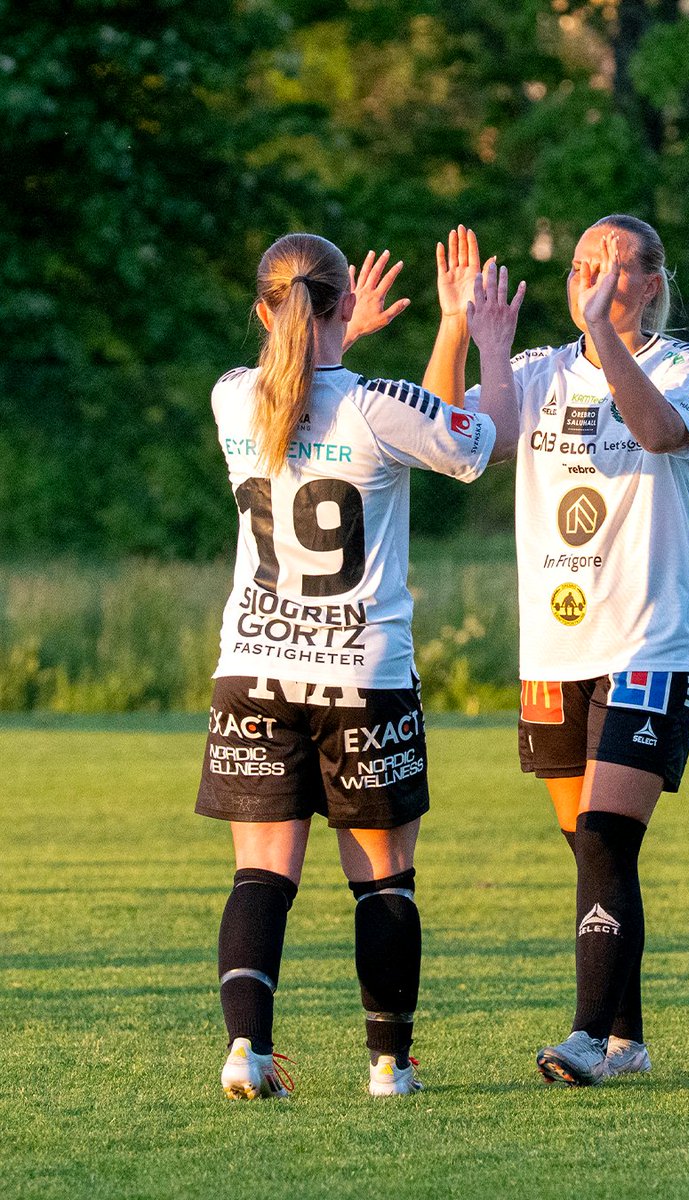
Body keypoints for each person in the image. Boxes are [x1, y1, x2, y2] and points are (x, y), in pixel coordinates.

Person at [196, 232, 524, 1099]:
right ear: (344, 303)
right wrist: (484, 334)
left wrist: (342, 336)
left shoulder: (233, 398)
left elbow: (299, 382)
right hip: (362, 677)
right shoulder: (381, 407)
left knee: (261, 872)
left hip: (255, 669)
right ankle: (389, 1065)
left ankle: (246, 1051)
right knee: (382, 874)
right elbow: (495, 440)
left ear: (265, 310)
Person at [424, 218, 689, 1085]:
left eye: (617, 268)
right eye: (585, 264)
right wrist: (463, 335)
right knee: (591, 849)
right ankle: (627, 1039)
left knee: (603, 838)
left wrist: (601, 337)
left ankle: (588, 1038)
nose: (595, 279)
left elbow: (660, 433)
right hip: (554, 651)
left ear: (652, 286)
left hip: (649, 645)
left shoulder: (683, 365)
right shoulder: (538, 370)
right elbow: (467, 443)